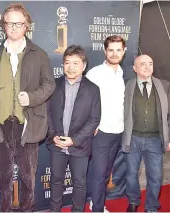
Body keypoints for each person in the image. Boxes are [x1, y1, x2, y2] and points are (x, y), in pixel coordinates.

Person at [0, 3, 56, 212]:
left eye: (19, 23)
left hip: (29, 125)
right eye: (9, 23)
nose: (14, 27)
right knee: (3, 178)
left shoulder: (39, 54)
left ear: (27, 26)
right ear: (3, 26)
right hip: (1, 125)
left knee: (28, 178)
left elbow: (50, 84)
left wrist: (32, 97)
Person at [47, 45, 101, 212]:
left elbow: (94, 119)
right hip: (57, 144)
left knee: (79, 183)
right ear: (63, 65)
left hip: (80, 146)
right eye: (67, 62)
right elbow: (46, 113)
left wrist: (74, 140)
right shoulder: (53, 86)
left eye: (75, 63)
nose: (70, 67)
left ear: (83, 66)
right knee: (56, 180)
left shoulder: (93, 89)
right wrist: (53, 135)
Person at [122, 54, 170, 212]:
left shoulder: (165, 86)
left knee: (156, 176)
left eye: (150, 64)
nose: (147, 67)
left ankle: (151, 206)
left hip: (155, 139)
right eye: (143, 64)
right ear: (135, 68)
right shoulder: (127, 85)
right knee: (131, 174)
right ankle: (133, 201)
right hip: (132, 138)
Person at [85, 35, 126, 212]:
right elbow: (85, 102)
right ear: (104, 51)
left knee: (106, 172)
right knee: (99, 173)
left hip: (118, 131)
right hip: (100, 132)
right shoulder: (95, 73)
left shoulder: (122, 73)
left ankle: (96, 202)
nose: (114, 53)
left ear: (124, 51)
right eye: (111, 50)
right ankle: (97, 208)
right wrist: (92, 126)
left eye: (118, 50)